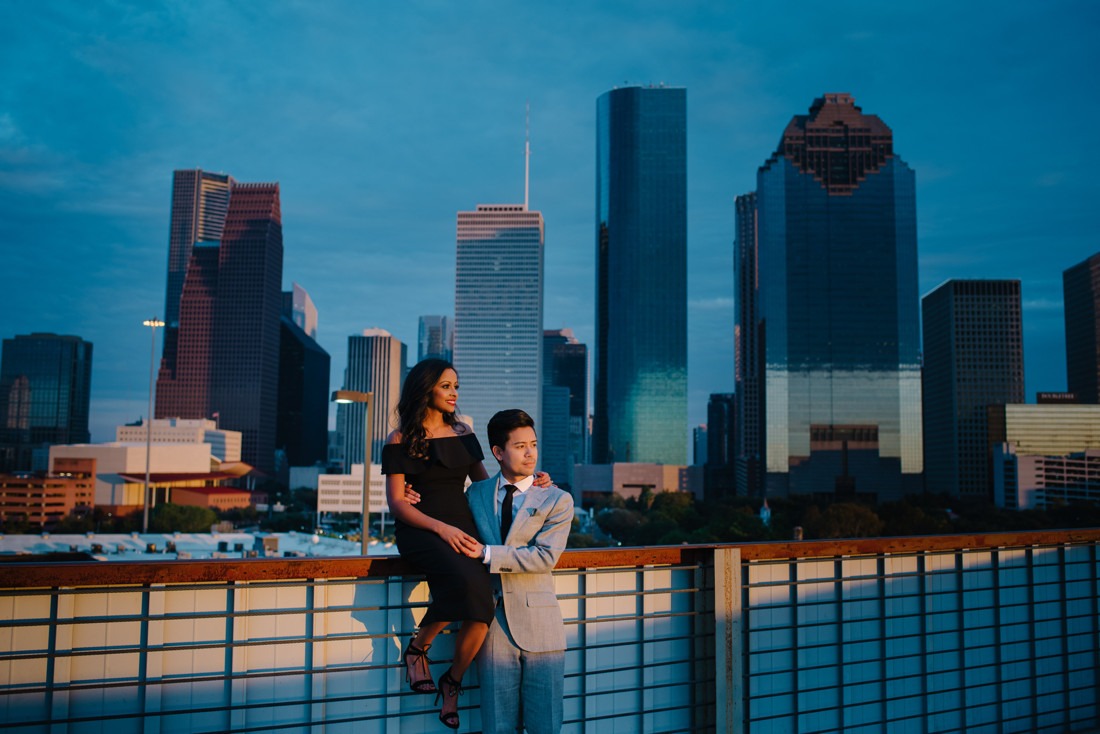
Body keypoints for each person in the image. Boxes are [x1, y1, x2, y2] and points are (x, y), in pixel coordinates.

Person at [381, 359, 551, 730]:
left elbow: (486, 484)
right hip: (421, 528)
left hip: (464, 526)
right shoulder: (398, 439)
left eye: (456, 386)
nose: (455, 392)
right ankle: (418, 648)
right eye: (446, 386)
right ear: (426, 389)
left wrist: (531, 479)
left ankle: (451, 680)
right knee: (466, 585)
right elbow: (397, 503)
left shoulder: (462, 431)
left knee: (481, 602)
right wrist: (441, 529)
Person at [461, 409, 574, 734]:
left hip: (541, 628)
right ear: (498, 452)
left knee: (546, 725)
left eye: (533, 445)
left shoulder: (557, 499)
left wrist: (487, 553)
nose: (530, 453)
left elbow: (544, 557)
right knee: (497, 726)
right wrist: (410, 496)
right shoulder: (476, 494)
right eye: (520, 446)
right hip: (491, 627)